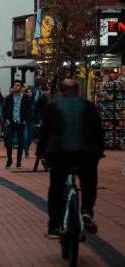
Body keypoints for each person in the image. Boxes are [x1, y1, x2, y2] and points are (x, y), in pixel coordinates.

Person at [38, 79, 104, 238]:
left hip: (59, 155)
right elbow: (98, 131)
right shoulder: (88, 106)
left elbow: (44, 132)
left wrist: (41, 152)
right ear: (78, 90)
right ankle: (87, 210)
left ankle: (54, 225)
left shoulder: (53, 106)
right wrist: (99, 153)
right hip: (85, 155)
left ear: (61, 91)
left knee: (56, 188)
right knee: (89, 183)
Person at [2, 80, 31, 169]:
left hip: (20, 122)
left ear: (21, 88)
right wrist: (6, 119)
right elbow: (4, 109)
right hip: (11, 122)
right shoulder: (9, 97)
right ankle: (9, 159)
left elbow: (28, 110)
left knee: (21, 142)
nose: (15, 87)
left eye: (18, 85)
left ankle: (18, 161)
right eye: (15, 85)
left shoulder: (26, 98)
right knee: (8, 142)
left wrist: (26, 120)